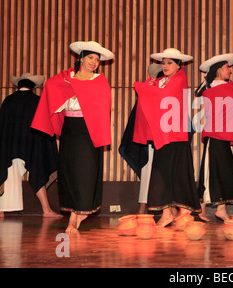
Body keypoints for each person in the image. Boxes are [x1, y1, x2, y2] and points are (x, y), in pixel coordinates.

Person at [31, 41, 114, 233]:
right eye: (90, 58)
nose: (94, 62)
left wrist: (83, 98)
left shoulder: (99, 81)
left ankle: (77, 216)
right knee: (69, 171)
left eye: (97, 59)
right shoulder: (66, 79)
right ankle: (74, 215)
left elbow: (101, 107)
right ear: (81, 58)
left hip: (89, 130)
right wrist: (68, 96)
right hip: (71, 129)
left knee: (85, 172)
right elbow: (53, 93)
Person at [133, 48, 200, 227]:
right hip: (163, 135)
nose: (165, 65)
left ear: (178, 65)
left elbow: (162, 97)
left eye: (170, 62)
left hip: (176, 135)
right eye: (163, 62)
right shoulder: (161, 81)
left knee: (178, 173)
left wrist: (143, 87)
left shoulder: (180, 79)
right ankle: (167, 213)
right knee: (161, 173)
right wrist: (150, 84)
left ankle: (183, 213)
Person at [0, 73, 60, 219]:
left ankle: (0, 211)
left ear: (18, 85)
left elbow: (0, 128)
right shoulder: (38, 101)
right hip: (33, 145)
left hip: (10, 147)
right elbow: (45, 126)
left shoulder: (8, 101)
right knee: (38, 170)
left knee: (7, 173)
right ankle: (46, 210)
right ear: (33, 87)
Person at [194, 53, 233, 221]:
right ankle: (204, 208)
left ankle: (213, 209)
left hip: (221, 136)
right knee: (212, 171)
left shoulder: (223, 87)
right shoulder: (217, 89)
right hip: (215, 135)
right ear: (219, 70)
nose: (230, 71)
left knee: (220, 170)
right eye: (227, 67)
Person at [119, 64, 163, 214]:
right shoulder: (146, 92)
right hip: (150, 141)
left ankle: (168, 209)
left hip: (165, 139)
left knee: (166, 173)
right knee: (147, 170)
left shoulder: (167, 91)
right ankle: (142, 206)